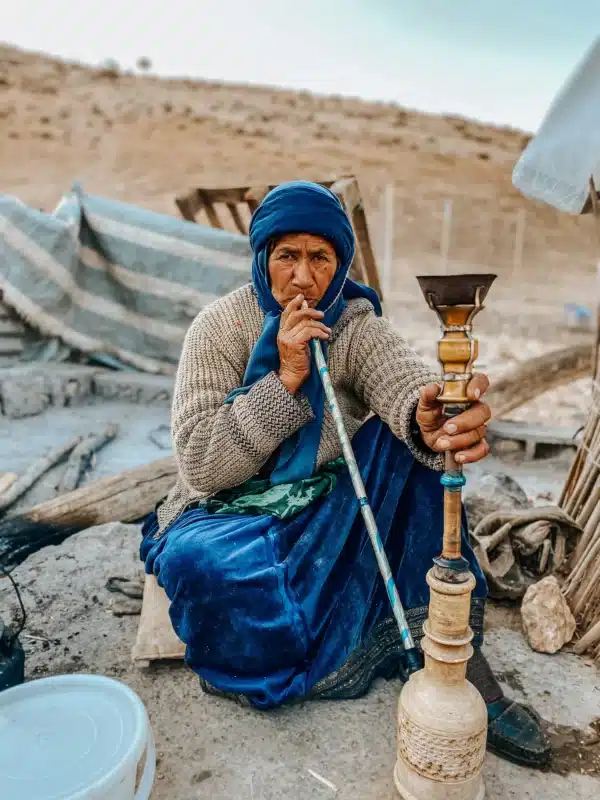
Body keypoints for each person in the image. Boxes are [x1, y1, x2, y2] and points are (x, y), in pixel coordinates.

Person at [140, 181, 550, 769]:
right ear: (262, 259)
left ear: (339, 265)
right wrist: (284, 378)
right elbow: (202, 466)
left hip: (325, 505)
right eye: (287, 256)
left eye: (320, 258)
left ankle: (445, 649)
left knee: (401, 441)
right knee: (196, 565)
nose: (303, 278)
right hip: (230, 513)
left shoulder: (351, 324)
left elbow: (402, 381)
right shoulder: (218, 327)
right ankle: (294, 651)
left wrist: (429, 416)